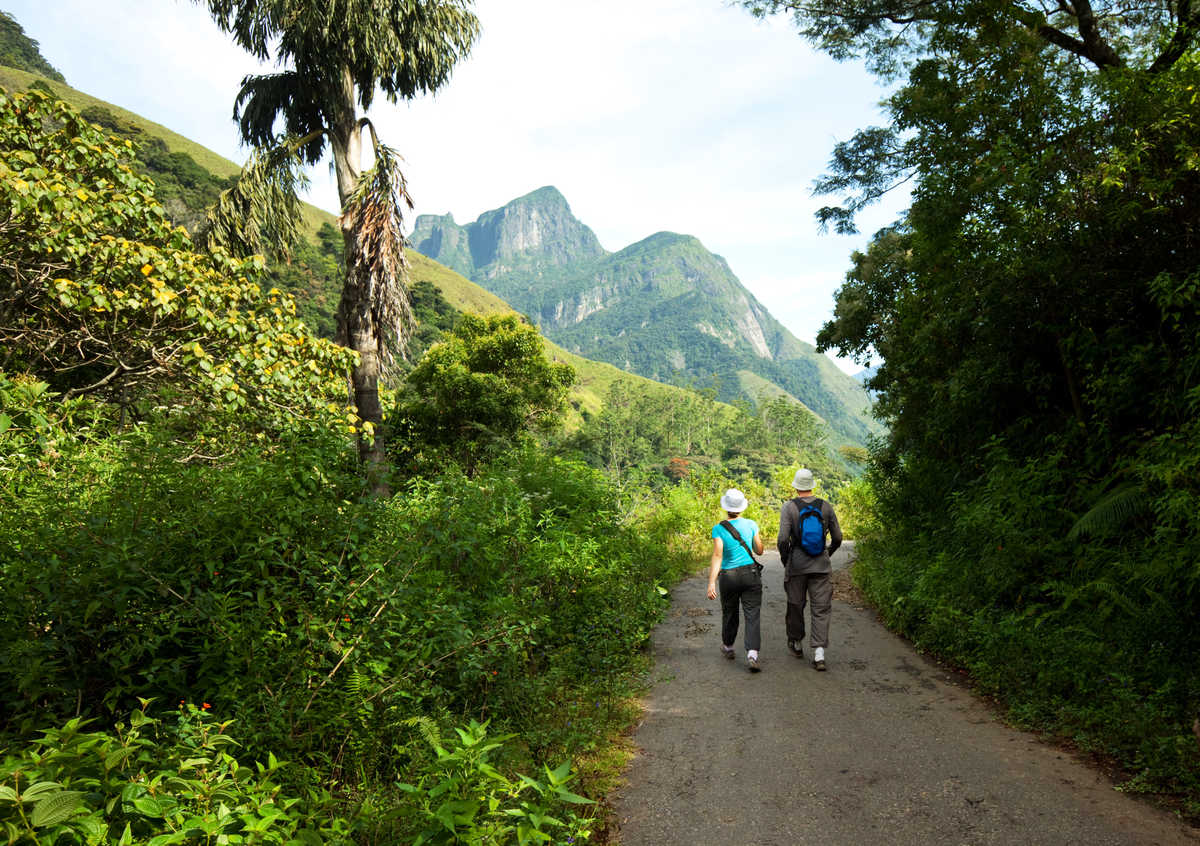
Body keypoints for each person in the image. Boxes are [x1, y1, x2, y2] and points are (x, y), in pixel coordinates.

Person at [777, 468, 842, 671]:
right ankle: (819, 654)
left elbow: (782, 539)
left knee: (795, 604)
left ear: (796, 486)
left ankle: (796, 643)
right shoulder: (826, 506)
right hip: (821, 565)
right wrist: (827, 553)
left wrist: (786, 558)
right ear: (812, 485)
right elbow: (838, 537)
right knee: (821, 609)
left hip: (797, 565)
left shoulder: (789, 507)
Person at [706, 488, 765, 672]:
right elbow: (760, 550)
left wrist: (711, 582)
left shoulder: (718, 529)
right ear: (742, 507)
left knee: (730, 611)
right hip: (751, 574)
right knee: (752, 613)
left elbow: (717, 555)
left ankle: (729, 646)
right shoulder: (751, 524)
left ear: (726, 507)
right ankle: (752, 654)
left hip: (728, 576)